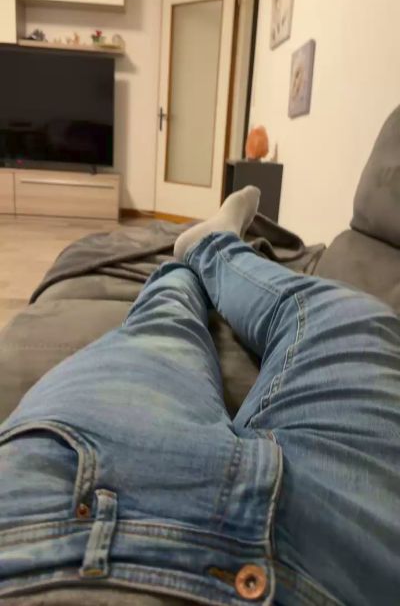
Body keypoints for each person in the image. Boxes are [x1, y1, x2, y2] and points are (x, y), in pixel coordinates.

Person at [0, 187, 399, 606]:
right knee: (353, 318)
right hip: (345, 557)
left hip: (53, 532)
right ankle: (210, 248)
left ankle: (188, 264)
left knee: (163, 323)